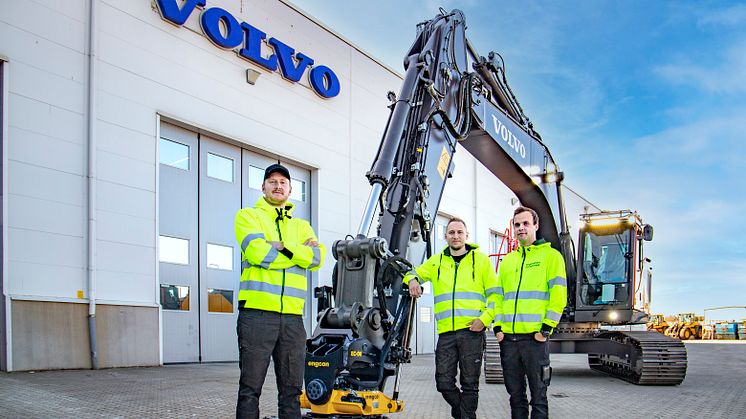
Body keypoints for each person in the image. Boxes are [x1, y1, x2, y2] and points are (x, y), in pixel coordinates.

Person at [234, 163, 326, 419]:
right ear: (263, 187)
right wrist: (298, 252)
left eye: (282, 182)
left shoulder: (302, 225)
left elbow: (317, 257)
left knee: (292, 391)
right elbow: (257, 252)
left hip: (292, 320)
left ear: (290, 189)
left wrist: (282, 246)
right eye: (272, 181)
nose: (277, 186)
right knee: (250, 388)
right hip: (257, 315)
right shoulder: (248, 216)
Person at [405, 217, 500, 419]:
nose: (456, 236)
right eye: (451, 233)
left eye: (459, 232)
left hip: (472, 333)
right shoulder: (437, 261)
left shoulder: (480, 260)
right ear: (446, 236)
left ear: (466, 235)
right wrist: (412, 280)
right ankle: (465, 415)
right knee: (444, 383)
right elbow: (411, 272)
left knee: (470, 385)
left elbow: (495, 295)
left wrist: (485, 319)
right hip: (446, 333)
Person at [493, 206, 567, 419]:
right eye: (517, 224)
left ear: (536, 225)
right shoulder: (508, 261)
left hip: (534, 340)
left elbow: (558, 296)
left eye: (525, 223)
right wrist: (498, 327)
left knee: (539, 396)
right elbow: (498, 296)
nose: (521, 228)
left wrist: (545, 329)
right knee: (515, 396)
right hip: (508, 340)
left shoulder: (551, 257)